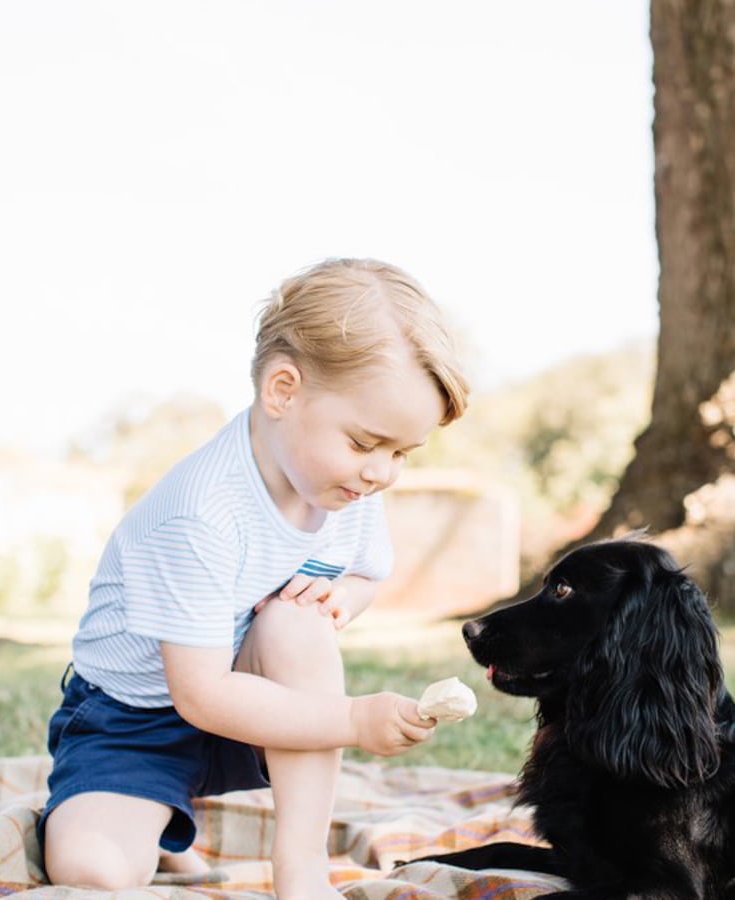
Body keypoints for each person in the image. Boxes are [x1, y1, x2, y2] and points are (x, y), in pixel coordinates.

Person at [40, 258, 471, 899]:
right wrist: (354, 720)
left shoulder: (347, 489)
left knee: (298, 625)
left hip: (251, 698)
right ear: (282, 391)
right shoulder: (200, 513)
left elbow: (364, 576)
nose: (381, 472)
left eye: (401, 453)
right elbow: (200, 695)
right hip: (135, 720)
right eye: (364, 443)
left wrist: (340, 600)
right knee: (93, 872)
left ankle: (301, 868)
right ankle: (146, 817)